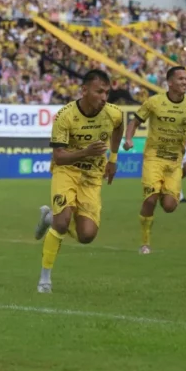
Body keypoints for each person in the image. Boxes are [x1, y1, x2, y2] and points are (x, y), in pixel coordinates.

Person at [33, 69, 124, 293]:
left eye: (107, 92)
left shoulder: (113, 113)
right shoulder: (65, 116)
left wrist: (113, 158)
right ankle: (45, 278)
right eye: (99, 92)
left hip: (92, 177)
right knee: (62, 222)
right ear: (84, 91)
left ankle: (48, 217)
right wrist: (86, 152)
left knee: (87, 236)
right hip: (67, 171)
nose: (104, 97)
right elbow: (59, 157)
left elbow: (120, 126)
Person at [124, 66, 186, 254]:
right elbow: (134, 122)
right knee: (151, 199)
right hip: (153, 158)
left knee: (169, 206)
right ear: (169, 82)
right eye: (181, 79)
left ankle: (161, 190)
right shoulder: (154, 102)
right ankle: (145, 243)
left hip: (174, 161)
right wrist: (129, 139)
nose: (185, 82)